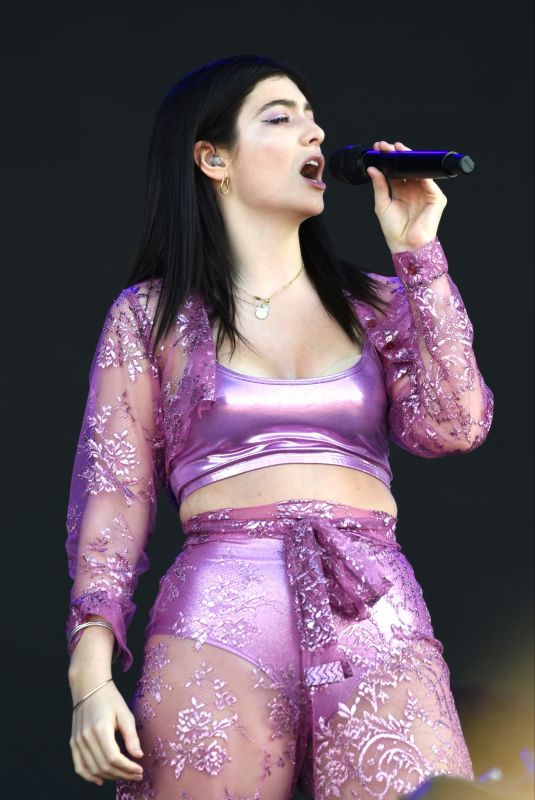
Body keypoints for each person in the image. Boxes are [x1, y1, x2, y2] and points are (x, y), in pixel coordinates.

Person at [65, 54, 494, 800]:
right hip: (218, 618)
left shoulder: (378, 303)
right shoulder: (151, 316)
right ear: (212, 158)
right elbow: (115, 496)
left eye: (311, 115)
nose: (314, 130)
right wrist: (89, 677)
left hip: (374, 609)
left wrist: (418, 251)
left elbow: (455, 426)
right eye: (280, 116)